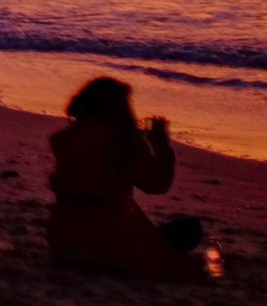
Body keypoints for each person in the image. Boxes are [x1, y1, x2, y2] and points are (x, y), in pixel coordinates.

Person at [46, 77, 208, 281]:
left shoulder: (65, 139)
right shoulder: (124, 143)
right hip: (109, 241)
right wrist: (161, 145)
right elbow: (157, 184)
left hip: (63, 239)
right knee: (189, 229)